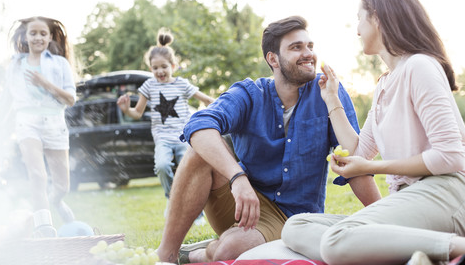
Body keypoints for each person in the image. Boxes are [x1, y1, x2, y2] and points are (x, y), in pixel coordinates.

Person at [156, 16, 382, 264]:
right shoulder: (249, 94)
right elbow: (198, 124)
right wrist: (237, 177)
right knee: (199, 150)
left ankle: (200, 254)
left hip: (291, 218)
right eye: (296, 48)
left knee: (228, 251)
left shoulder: (329, 93)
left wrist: (386, 218)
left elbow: (353, 163)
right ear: (273, 59)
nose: (308, 54)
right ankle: (165, 256)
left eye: (310, 46)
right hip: (243, 201)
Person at [281, 0, 465, 265]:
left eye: (359, 19)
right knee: (296, 227)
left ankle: (455, 246)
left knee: (335, 241)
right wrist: (331, 99)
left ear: (377, 18)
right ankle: (415, 254)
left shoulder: (420, 66)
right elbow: (359, 151)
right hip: (411, 197)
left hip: (446, 191)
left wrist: (372, 169)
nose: (356, 30)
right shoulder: (384, 84)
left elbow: (450, 155)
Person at [0, 16, 77, 237]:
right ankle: (44, 226)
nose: (37, 37)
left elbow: (70, 99)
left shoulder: (60, 63)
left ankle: (57, 201)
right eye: (33, 33)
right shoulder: (16, 65)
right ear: (25, 37)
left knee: (61, 186)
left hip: (54, 124)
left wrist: (45, 83)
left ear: (49, 37)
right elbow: (6, 100)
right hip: (26, 122)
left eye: (42, 33)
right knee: (36, 174)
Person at [117, 28, 214, 223]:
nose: (159, 71)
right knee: (162, 166)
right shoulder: (148, 86)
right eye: (155, 68)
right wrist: (126, 109)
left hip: (184, 137)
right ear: (150, 68)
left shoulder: (182, 84)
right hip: (162, 138)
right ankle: (173, 200)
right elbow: (137, 113)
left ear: (173, 65)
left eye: (164, 66)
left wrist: (229, 105)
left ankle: (198, 213)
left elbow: (206, 99)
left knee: (191, 172)